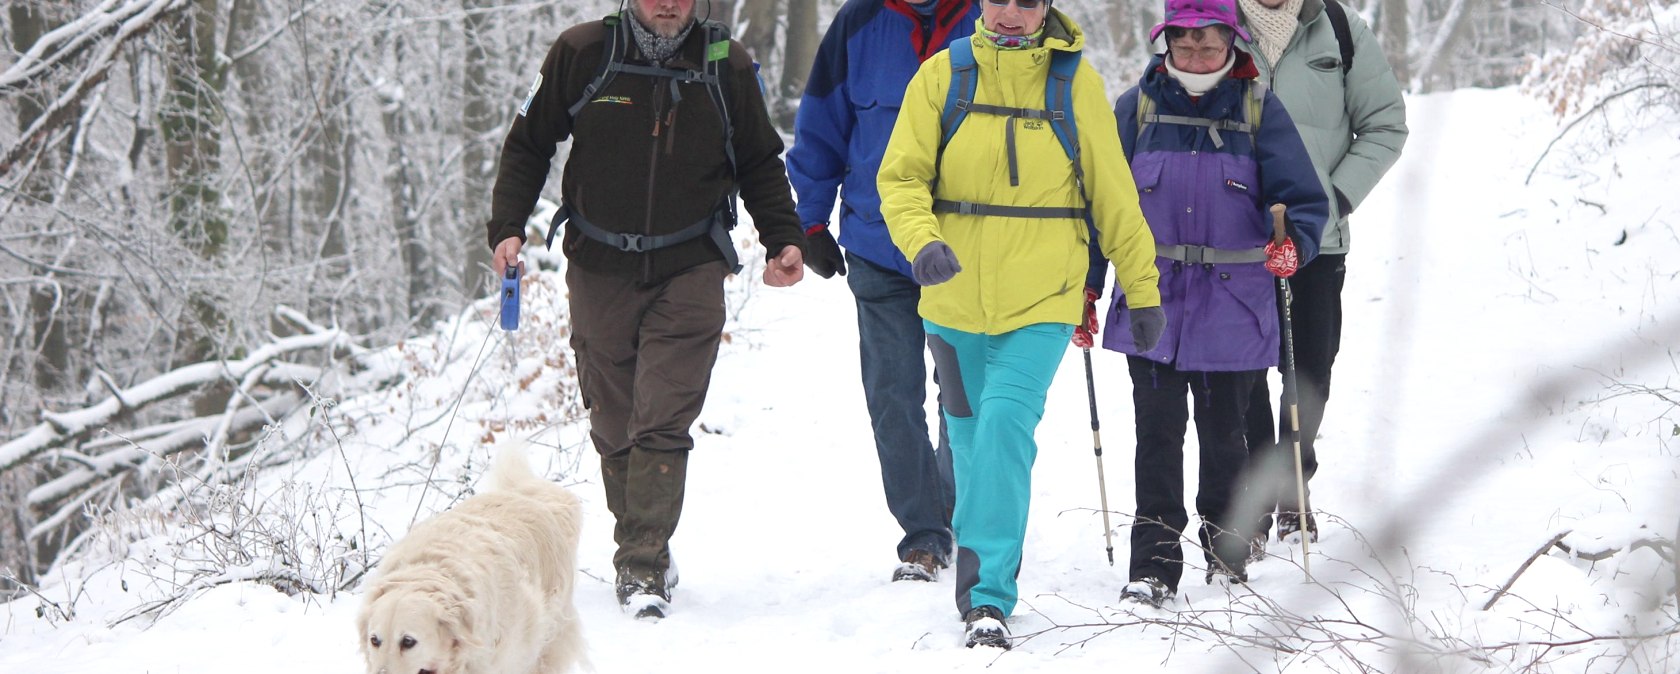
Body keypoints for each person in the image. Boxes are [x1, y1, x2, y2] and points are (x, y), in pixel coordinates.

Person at [482, 0, 807, 620]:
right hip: (599, 263)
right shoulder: (582, 52)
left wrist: (782, 239)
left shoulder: (726, 63)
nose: (667, 3)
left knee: (662, 416)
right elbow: (528, 144)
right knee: (613, 420)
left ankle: (641, 564)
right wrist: (508, 227)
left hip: (691, 263)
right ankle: (644, 534)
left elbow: (759, 161)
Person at [878, 0, 1162, 650]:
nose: (1011, 12)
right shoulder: (942, 76)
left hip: (1044, 301)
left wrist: (1142, 290)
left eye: (1027, 1)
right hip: (951, 301)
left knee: (1004, 425)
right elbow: (901, 179)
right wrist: (922, 242)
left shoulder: (1074, 84)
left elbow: (1114, 197)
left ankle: (986, 596)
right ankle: (984, 561)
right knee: (970, 441)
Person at [1084, 0, 1329, 608]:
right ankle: (1153, 565)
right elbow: (1097, 206)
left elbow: (1303, 199)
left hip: (1234, 308)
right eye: (1184, 45)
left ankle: (1228, 554)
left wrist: (1293, 244)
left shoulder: (1259, 109)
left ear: (1232, 46)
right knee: (1156, 437)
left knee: (1225, 439)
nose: (1196, 57)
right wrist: (1087, 284)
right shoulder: (1136, 109)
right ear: (1166, 44)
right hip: (1152, 301)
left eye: (1209, 45)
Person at [787, 0, 980, 584]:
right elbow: (821, 126)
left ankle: (959, 511)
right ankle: (922, 535)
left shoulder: (992, 16)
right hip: (879, 246)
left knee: (964, 396)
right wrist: (811, 221)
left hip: (967, 251)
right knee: (892, 395)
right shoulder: (858, 22)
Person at [1236, 0, 1408, 545]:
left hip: (1317, 241)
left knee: (1309, 368)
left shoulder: (1338, 29)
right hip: (1234, 242)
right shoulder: (1213, 25)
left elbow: (1385, 125)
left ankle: (1293, 483)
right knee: (1240, 370)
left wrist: (1329, 202)